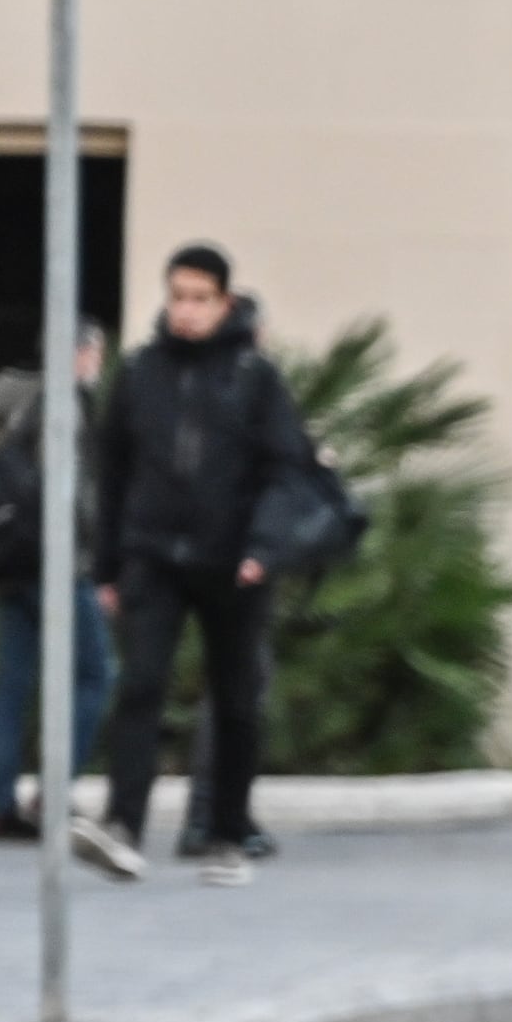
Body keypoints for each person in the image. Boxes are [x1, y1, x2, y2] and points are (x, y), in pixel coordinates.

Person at [86, 246, 310, 889]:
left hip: (233, 563)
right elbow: (114, 473)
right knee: (141, 685)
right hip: (154, 556)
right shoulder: (140, 372)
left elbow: (285, 471)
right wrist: (108, 568)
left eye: (199, 299)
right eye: (177, 296)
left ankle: (227, 834)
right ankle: (123, 826)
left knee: (237, 702)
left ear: (224, 302)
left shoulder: (254, 377)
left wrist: (263, 550)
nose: (185, 310)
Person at [0, 334, 112, 841]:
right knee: (95, 675)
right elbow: (73, 491)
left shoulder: (5, 398)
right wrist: (94, 554)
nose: (97, 367)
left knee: (11, 687)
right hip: (57, 567)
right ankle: (53, 795)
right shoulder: (63, 404)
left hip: (10, 565)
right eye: (95, 355)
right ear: (78, 352)